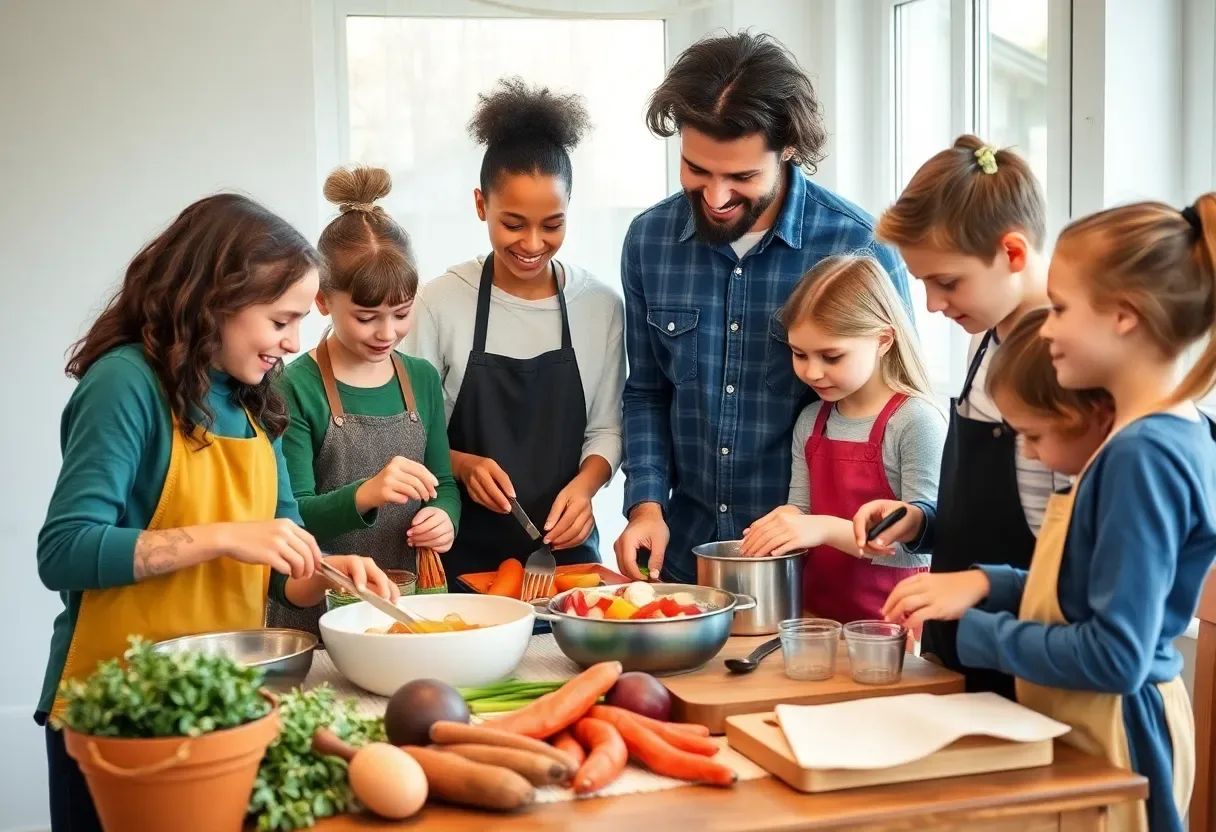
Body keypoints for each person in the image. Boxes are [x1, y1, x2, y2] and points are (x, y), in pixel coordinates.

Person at [36, 194, 397, 830]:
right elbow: (64, 550)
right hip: (115, 715)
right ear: (217, 300)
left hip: (219, 707)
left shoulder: (256, 395)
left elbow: (284, 559)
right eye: (280, 320)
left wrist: (332, 571)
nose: (291, 342)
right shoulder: (125, 384)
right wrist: (223, 537)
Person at [883, 195, 1216, 832]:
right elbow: (1082, 593)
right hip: (1086, 722)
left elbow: (1115, 655)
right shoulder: (1137, 435)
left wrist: (976, 635)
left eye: (1061, 308)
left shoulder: (1145, 454)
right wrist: (987, 583)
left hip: (1118, 738)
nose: (1049, 327)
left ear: (1125, 316)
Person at [615, 32, 911, 584]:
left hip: (816, 575)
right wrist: (646, 506)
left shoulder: (859, 246)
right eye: (697, 170)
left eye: (742, 177)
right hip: (686, 559)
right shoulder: (648, 241)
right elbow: (647, 393)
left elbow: (896, 411)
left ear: (790, 148)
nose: (716, 196)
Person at [851, 136, 1060, 697]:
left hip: (1029, 655)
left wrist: (978, 591)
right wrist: (923, 521)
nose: (932, 304)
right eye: (922, 283)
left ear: (1013, 253)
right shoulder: (984, 343)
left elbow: (1067, 552)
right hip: (960, 650)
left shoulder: (1066, 364)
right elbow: (984, 511)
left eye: (947, 281)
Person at [407, 78, 625, 578]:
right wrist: (459, 464)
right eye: (513, 223)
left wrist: (586, 488)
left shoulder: (599, 306)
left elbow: (607, 427)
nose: (532, 242)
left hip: (565, 562)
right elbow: (411, 427)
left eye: (552, 224)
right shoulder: (441, 301)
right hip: (458, 560)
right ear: (481, 204)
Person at [270, 165, 460, 634]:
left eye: (401, 313)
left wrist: (443, 518)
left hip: (405, 605)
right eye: (366, 316)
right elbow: (293, 515)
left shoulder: (421, 379)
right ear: (321, 299)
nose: (386, 332)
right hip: (316, 613)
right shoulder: (294, 386)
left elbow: (445, 484)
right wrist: (366, 493)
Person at [739, 255, 945, 623]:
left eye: (831, 356)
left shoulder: (915, 421)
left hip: (893, 627)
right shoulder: (811, 420)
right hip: (816, 618)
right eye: (799, 354)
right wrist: (786, 521)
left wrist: (822, 528)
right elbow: (800, 508)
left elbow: (916, 548)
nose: (812, 371)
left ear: (883, 340)